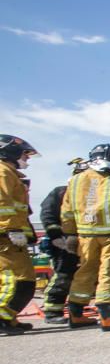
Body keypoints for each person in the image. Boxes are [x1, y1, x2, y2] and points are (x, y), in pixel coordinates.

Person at [61, 144, 110, 331]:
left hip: (85, 236)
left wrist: (70, 234)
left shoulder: (75, 182)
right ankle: (108, 317)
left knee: (84, 272)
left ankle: (76, 314)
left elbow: (66, 212)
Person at [0, 135, 39, 336]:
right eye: (25, 154)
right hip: (6, 238)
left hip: (10, 237)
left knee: (22, 280)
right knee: (17, 281)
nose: (27, 158)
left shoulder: (10, 174)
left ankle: (8, 317)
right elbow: (2, 204)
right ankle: (3, 317)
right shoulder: (2, 172)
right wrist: (12, 229)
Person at [38, 159, 86, 324]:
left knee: (90, 276)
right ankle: (52, 311)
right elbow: (48, 214)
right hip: (65, 244)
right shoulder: (60, 193)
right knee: (64, 276)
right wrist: (55, 236)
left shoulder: (93, 197)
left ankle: (79, 310)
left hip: (87, 243)